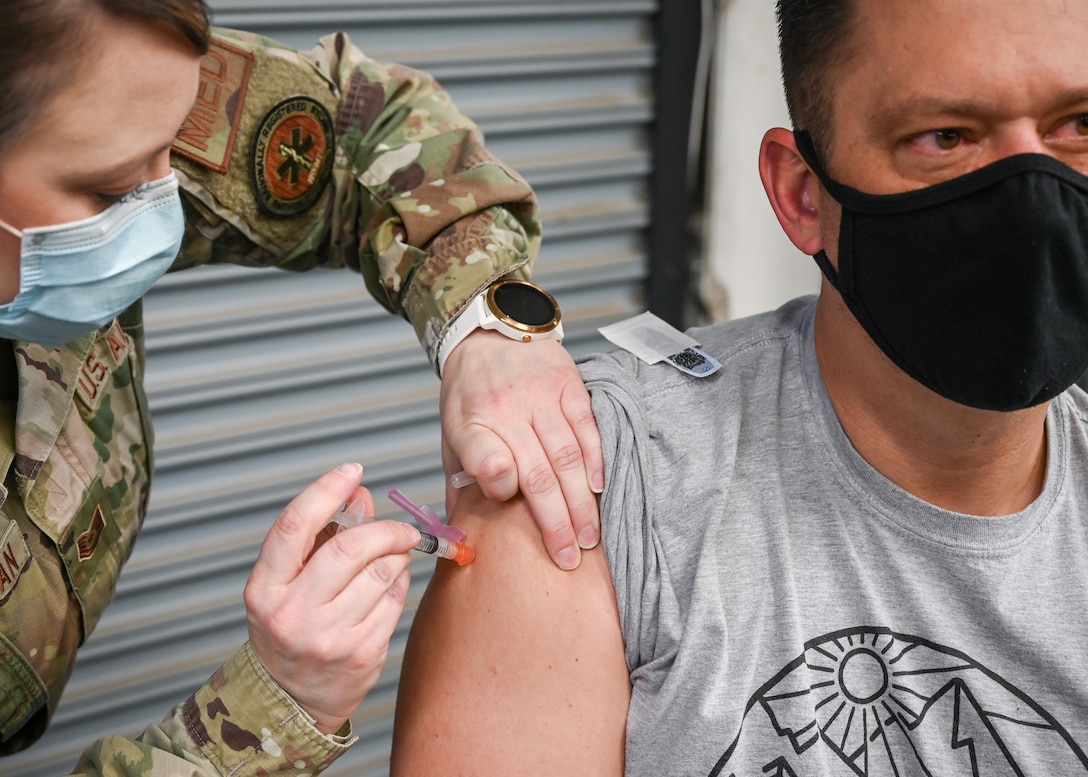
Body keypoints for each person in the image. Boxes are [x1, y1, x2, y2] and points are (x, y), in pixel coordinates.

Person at [390, 0, 1088, 774]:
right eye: (943, 138)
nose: (1032, 198)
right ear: (802, 194)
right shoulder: (591, 480)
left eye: (1082, 126)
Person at [0, 0, 604, 771]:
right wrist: (264, 713)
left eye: (174, 146)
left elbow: (366, 124)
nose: (170, 202)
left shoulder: (97, 79)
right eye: (117, 190)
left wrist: (484, 323)